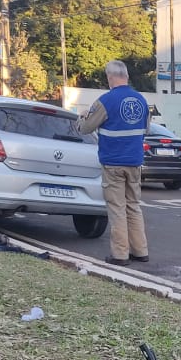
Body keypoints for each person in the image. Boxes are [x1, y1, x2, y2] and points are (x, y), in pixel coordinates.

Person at [77, 60, 150, 266]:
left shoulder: (105, 101)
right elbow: (146, 130)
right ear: (126, 76)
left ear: (110, 77)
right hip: (135, 162)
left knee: (117, 208)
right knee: (133, 206)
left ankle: (120, 254)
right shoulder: (141, 100)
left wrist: (81, 118)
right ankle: (140, 250)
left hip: (113, 163)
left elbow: (86, 128)